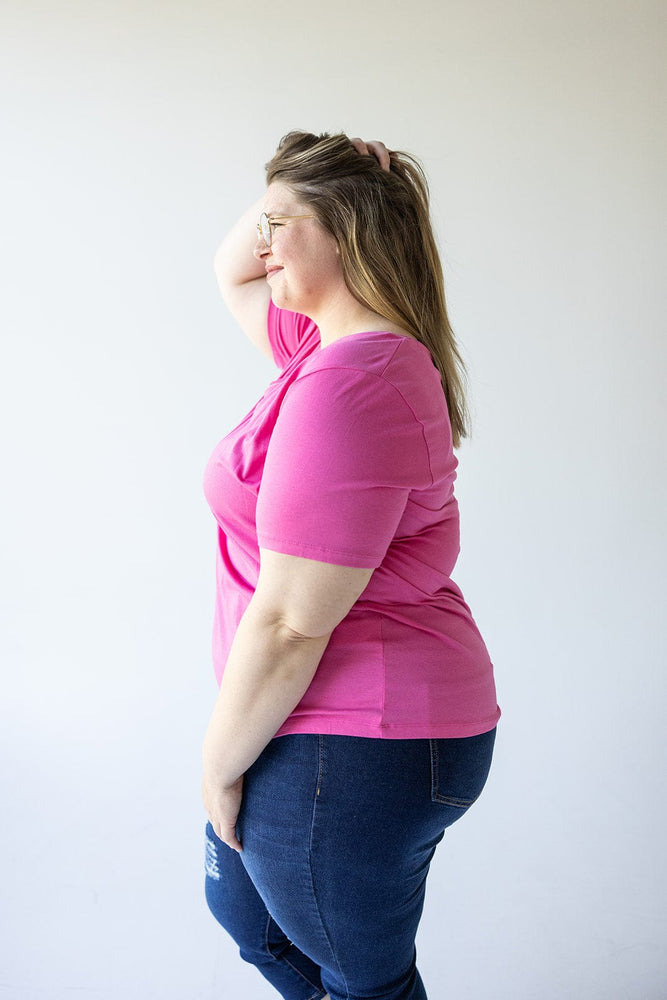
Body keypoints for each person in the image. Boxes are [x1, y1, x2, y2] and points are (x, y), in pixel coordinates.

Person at [201, 131, 500, 1000]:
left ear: (348, 232)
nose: (260, 241)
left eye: (278, 223)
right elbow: (233, 271)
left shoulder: (352, 382)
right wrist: (308, 182)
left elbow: (294, 620)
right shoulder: (324, 354)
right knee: (255, 928)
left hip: (357, 732)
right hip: (334, 727)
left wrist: (217, 763)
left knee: (364, 984)